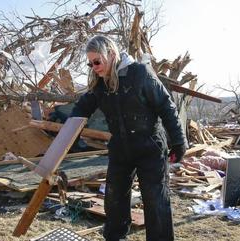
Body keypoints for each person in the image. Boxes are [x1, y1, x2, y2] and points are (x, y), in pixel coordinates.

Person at [71, 35, 187, 241]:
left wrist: (179, 141)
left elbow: (165, 105)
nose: (94, 67)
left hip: (149, 146)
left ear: (112, 55)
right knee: (114, 198)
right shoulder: (100, 84)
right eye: (90, 63)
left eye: (97, 61)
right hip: (121, 148)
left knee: (155, 200)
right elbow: (83, 107)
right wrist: (68, 133)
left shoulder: (140, 73)